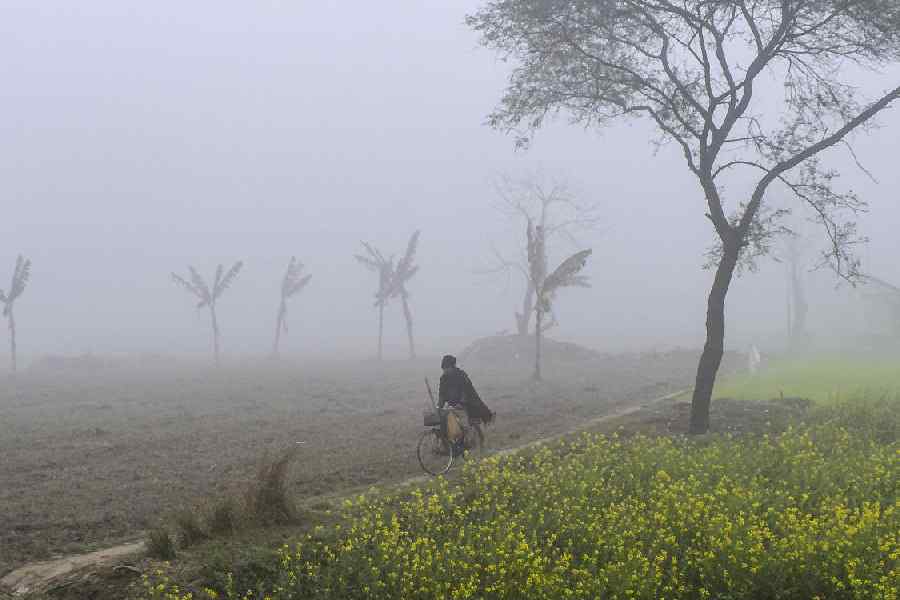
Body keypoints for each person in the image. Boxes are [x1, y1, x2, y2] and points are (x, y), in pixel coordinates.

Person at [438, 355, 493, 451]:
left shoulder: (461, 375)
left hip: (465, 404)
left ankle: (468, 443)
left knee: (464, 425)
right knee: (446, 422)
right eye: (444, 368)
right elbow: (442, 394)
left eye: (447, 368)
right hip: (452, 405)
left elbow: (466, 390)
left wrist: (461, 403)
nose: (445, 370)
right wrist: (439, 406)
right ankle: (449, 445)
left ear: (452, 367)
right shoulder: (443, 378)